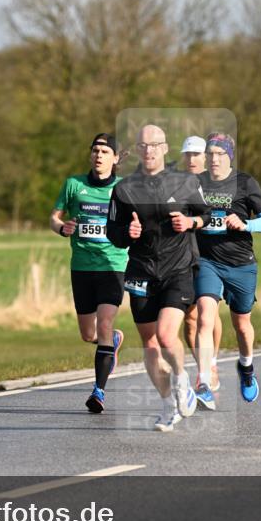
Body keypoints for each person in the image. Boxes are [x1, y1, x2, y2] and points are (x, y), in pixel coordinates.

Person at [106, 124, 210, 432]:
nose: (149, 150)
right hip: (141, 272)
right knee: (150, 345)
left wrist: (190, 221)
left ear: (165, 148)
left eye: (155, 145)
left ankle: (181, 381)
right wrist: (128, 233)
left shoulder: (186, 182)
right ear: (137, 150)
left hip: (178, 269)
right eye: (143, 145)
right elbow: (113, 233)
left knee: (166, 336)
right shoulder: (124, 189)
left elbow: (207, 216)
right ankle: (168, 406)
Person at [193, 133, 261, 409]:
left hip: (241, 264)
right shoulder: (197, 183)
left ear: (229, 155)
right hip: (207, 262)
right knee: (205, 317)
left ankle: (246, 367)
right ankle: (204, 381)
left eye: (219, 154)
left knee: (241, 325)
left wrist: (246, 224)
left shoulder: (245, 183)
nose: (214, 159)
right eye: (210, 154)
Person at [50, 133, 127, 413]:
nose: (99, 155)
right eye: (95, 150)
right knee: (88, 334)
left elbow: (137, 222)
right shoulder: (74, 184)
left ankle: (99, 391)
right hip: (81, 266)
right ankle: (113, 341)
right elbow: (54, 216)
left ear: (116, 158)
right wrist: (61, 228)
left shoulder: (124, 189)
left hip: (112, 265)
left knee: (104, 323)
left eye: (105, 151)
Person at [179, 135, 222, 392]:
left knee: (208, 311)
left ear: (205, 156)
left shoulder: (216, 182)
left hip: (213, 255)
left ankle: (211, 364)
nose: (192, 159)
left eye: (197, 154)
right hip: (185, 254)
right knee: (190, 318)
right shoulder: (179, 182)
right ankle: (202, 366)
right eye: (188, 155)